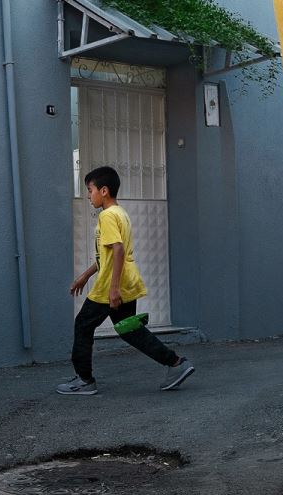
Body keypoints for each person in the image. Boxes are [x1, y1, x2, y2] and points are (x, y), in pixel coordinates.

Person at [57, 165, 194, 395]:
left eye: (89, 190)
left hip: (113, 283)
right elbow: (108, 255)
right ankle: (176, 364)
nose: (88, 196)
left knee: (83, 325)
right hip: (126, 280)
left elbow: (118, 250)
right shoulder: (121, 213)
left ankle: (84, 379)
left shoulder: (107, 216)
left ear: (104, 191)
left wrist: (112, 289)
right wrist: (84, 275)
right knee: (129, 329)